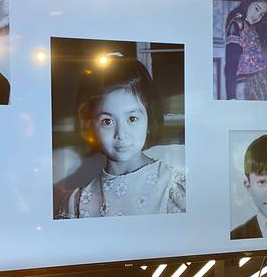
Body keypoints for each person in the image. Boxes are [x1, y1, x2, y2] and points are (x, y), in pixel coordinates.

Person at [56, 54, 185, 218]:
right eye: (107, 121)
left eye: (132, 119)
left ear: (149, 118)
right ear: (90, 125)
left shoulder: (174, 190)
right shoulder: (77, 204)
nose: (121, 135)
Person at [224, 0, 267, 100]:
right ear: (248, 1)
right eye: (256, 8)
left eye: (261, 14)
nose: (257, 16)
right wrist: (231, 97)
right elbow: (231, 64)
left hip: (264, 81)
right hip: (253, 84)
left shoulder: (253, 27)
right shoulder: (236, 24)